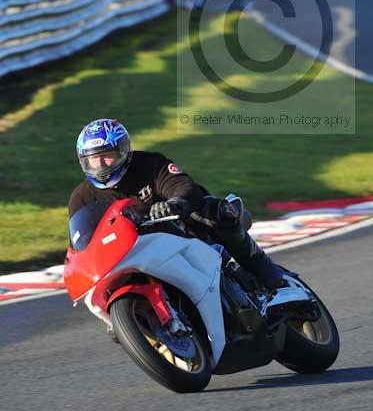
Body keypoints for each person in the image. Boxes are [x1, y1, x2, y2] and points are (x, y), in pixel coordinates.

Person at [69, 119, 287, 290]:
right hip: (131, 252)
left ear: (123, 151)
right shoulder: (82, 197)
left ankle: (269, 275)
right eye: (93, 160)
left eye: (107, 156)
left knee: (212, 212)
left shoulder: (149, 164)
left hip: (178, 230)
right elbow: (82, 246)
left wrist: (175, 203)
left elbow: (183, 186)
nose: (100, 165)